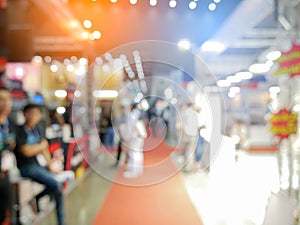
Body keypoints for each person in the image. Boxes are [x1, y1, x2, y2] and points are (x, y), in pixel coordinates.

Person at [14, 103, 66, 225]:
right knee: (56, 185)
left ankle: (60, 220)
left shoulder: (37, 129)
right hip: (26, 167)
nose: (34, 116)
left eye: (37, 113)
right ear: (25, 114)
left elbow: (45, 150)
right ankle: (37, 199)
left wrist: (51, 168)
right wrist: (41, 146)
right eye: (31, 113)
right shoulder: (20, 130)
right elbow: (26, 151)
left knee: (58, 187)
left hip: (38, 165)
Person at [0, 87, 17, 224]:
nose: (5, 103)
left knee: (6, 212)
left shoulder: (11, 124)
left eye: (8, 99)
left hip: (6, 175)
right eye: (1, 99)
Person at [121, 103, 146, 178]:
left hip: (134, 138)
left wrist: (126, 139)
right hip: (139, 137)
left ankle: (133, 171)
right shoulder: (139, 114)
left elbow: (130, 128)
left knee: (133, 154)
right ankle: (138, 169)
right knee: (138, 152)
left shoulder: (132, 115)